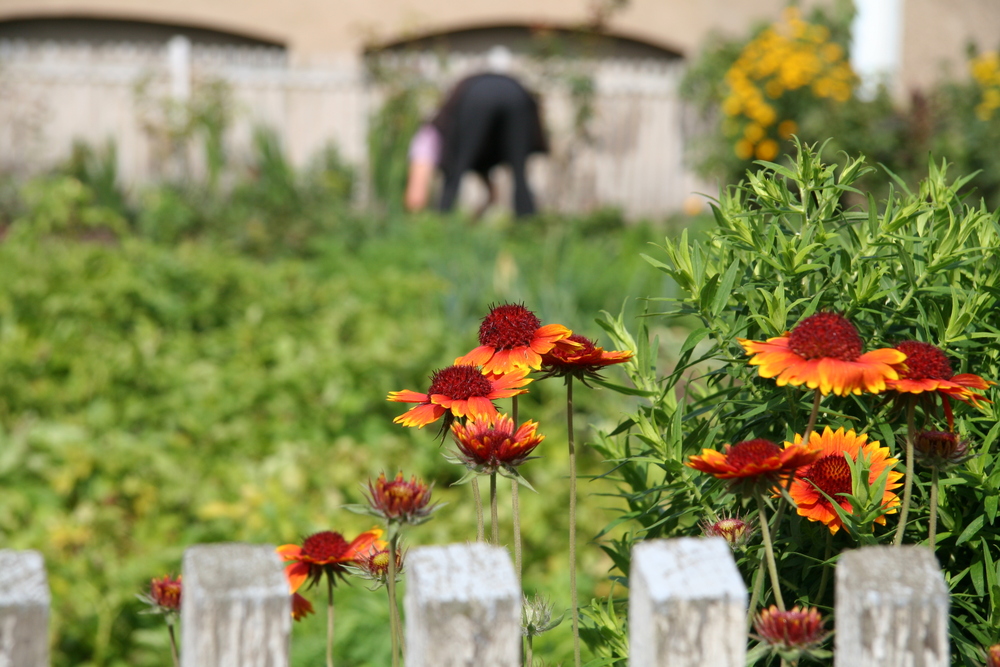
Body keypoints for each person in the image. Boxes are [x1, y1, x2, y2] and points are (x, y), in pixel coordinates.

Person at [404, 72, 548, 218]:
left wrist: (416, 221)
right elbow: (492, 194)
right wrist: (478, 214)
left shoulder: (429, 136)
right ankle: (528, 224)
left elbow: (416, 197)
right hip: (518, 93)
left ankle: (443, 221)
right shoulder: (482, 150)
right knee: (520, 175)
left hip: (476, 95)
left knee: (455, 174)